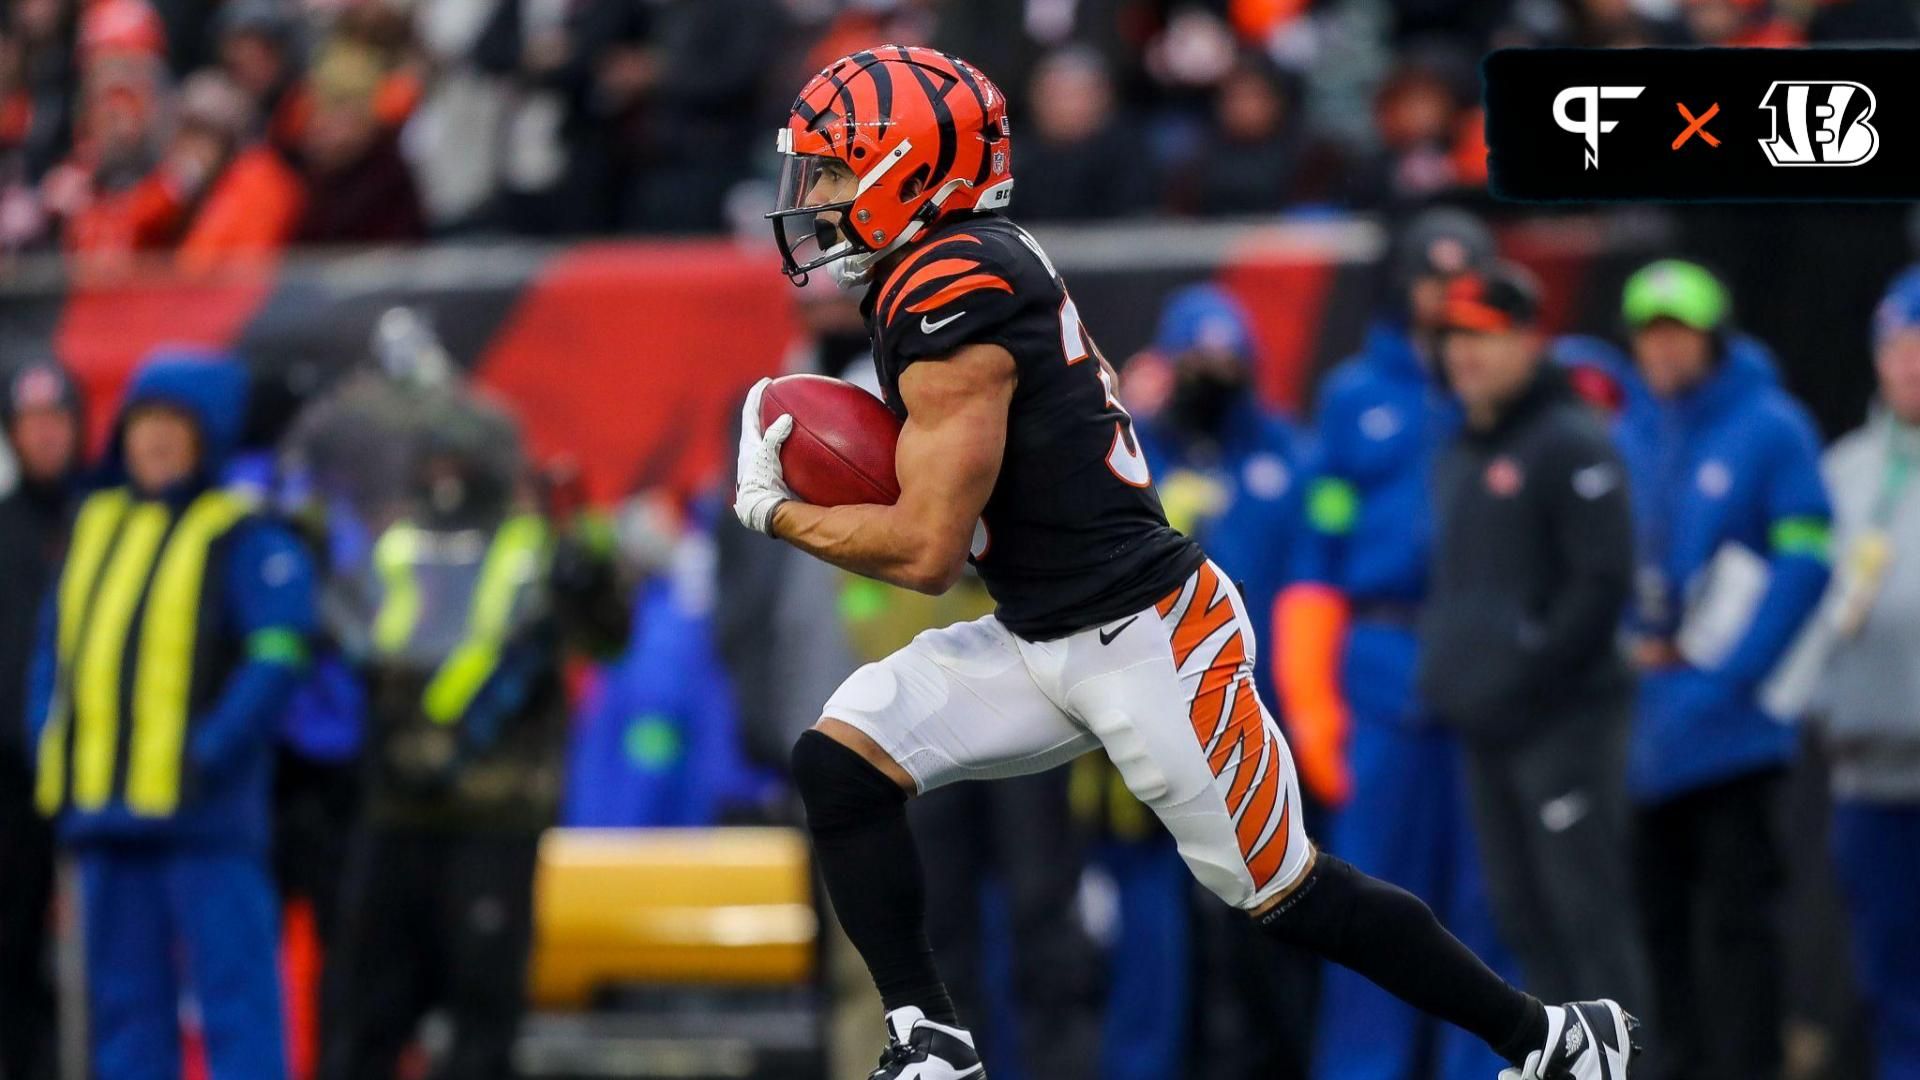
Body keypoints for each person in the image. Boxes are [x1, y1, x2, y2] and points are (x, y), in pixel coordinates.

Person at [743, 46, 1638, 1080]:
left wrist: (776, 510)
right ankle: (928, 1038)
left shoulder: (953, 284)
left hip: (1150, 640)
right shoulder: (943, 270)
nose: (815, 197)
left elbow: (929, 549)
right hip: (1041, 630)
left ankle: (1552, 1038)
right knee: (840, 759)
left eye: (835, 169)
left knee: (1284, 892)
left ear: (907, 168)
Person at [1275, 207, 1519, 1080]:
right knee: (1373, 902)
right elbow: (1318, 555)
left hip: (1488, 666)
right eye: (1432, 278)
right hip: (1381, 670)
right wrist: (1311, 702)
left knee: (1488, 906)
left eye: (1463, 279)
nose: (1445, 298)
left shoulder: (1513, 387)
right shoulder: (1356, 396)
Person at [26, 353, 316, 1080]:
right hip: (106, 814)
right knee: (123, 1006)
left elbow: (278, 657)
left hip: (205, 821)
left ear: (208, 439)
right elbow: (51, 652)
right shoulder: (96, 525)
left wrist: (211, 751)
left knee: (237, 1002)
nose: (153, 442)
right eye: (143, 423)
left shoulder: (244, 535)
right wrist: (47, 740)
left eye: (172, 427)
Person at [323, 393, 627, 1080]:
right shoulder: (393, 546)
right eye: (434, 458)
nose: (445, 474)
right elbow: (347, 641)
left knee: (483, 1012)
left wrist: (592, 572)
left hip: (497, 811)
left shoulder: (536, 546)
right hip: (394, 809)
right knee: (367, 1009)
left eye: (459, 458)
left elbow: (609, 636)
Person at [1612, 259, 1831, 1080]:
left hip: (1734, 735)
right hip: (1643, 730)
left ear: (1713, 337)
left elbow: (1806, 558)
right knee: (1652, 931)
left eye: (1679, 332)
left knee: (1739, 931)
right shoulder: (1626, 432)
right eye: (1650, 334)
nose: (1663, 351)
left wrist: (1733, 672)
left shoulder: (1771, 426)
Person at [1419, 265, 1649, 1012]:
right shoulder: (1462, 449)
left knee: (1589, 922)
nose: (1464, 354)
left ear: (1528, 341)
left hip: (1563, 725)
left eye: (1482, 336)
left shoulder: (1572, 442)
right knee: (1524, 925)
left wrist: (1525, 674)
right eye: (1453, 337)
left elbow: (1600, 585)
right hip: (1490, 728)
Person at [1131, 283, 1313, 1078]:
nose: (1214, 370)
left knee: (1276, 931)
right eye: (1197, 357)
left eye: (1227, 356)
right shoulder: (1135, 457)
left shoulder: (1289, 455)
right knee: (1170, 946)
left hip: (1272, 733)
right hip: (1165, 732)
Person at [1812, 266, 1920, 1080]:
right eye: (1898, 344)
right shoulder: (1844, 471)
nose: (1912, 361)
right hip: (1867, 777)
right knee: (1887, 985)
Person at [0, 361, 84, 1080]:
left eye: (58, 420)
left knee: (106, 954)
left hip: (100, 774)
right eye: (32, 423)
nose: (46, 435)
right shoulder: (3, 527)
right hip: (10, 779)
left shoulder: (107, 517)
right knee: (12, 950)